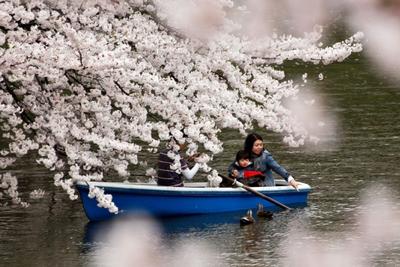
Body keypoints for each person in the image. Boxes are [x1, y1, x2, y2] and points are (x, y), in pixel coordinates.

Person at [229, 133, 301, 190]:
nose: (259, 147)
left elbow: (278, 168)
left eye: (261, 145)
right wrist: (233, 171)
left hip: (265, 186)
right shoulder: (244, 155)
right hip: (248, 184)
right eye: (256, 145)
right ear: (250, 146)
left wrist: (290, 180)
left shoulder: (265, 156)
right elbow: (232, 166)